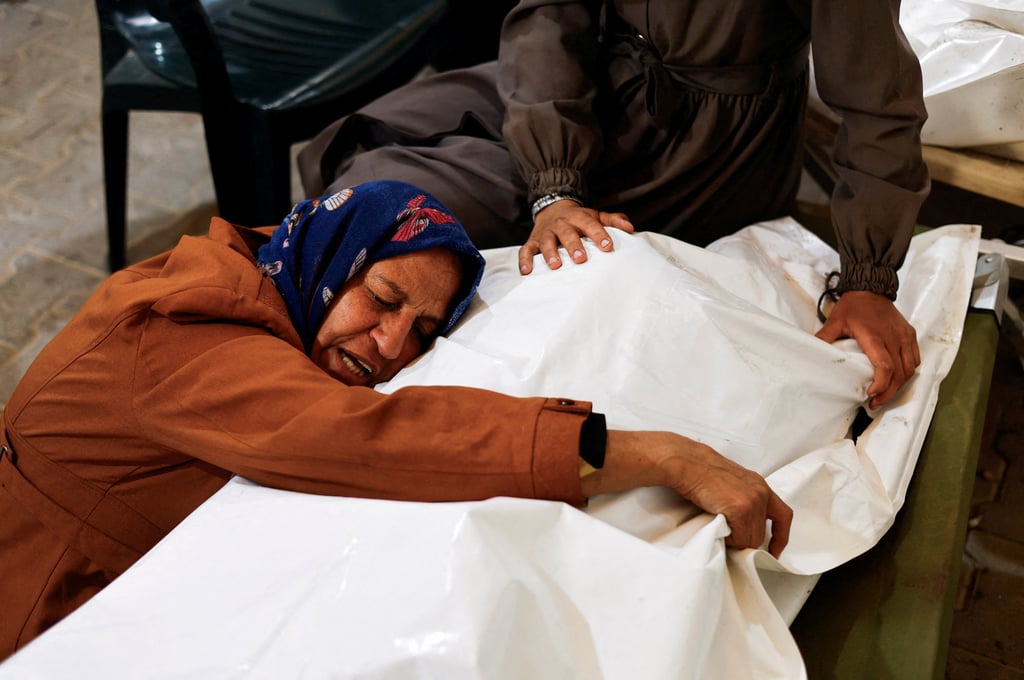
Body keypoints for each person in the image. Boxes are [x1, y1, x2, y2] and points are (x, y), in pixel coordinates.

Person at [0, 180, 791, 659]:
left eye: (421, 331)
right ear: (327, 257)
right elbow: (362, 435)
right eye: (380, 301)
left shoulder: (269, 277)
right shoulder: (186, 331)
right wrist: (661, 455)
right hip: (41, 610)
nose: (388, 345)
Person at [298, 0, 929, 411]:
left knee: (425, 215)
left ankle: (370, 362)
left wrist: (869, 279)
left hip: (702, 148)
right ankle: (328, 338)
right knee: (376, 178)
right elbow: (548, 20)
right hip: (575, 86)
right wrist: (556, 186)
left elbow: (876, 104)